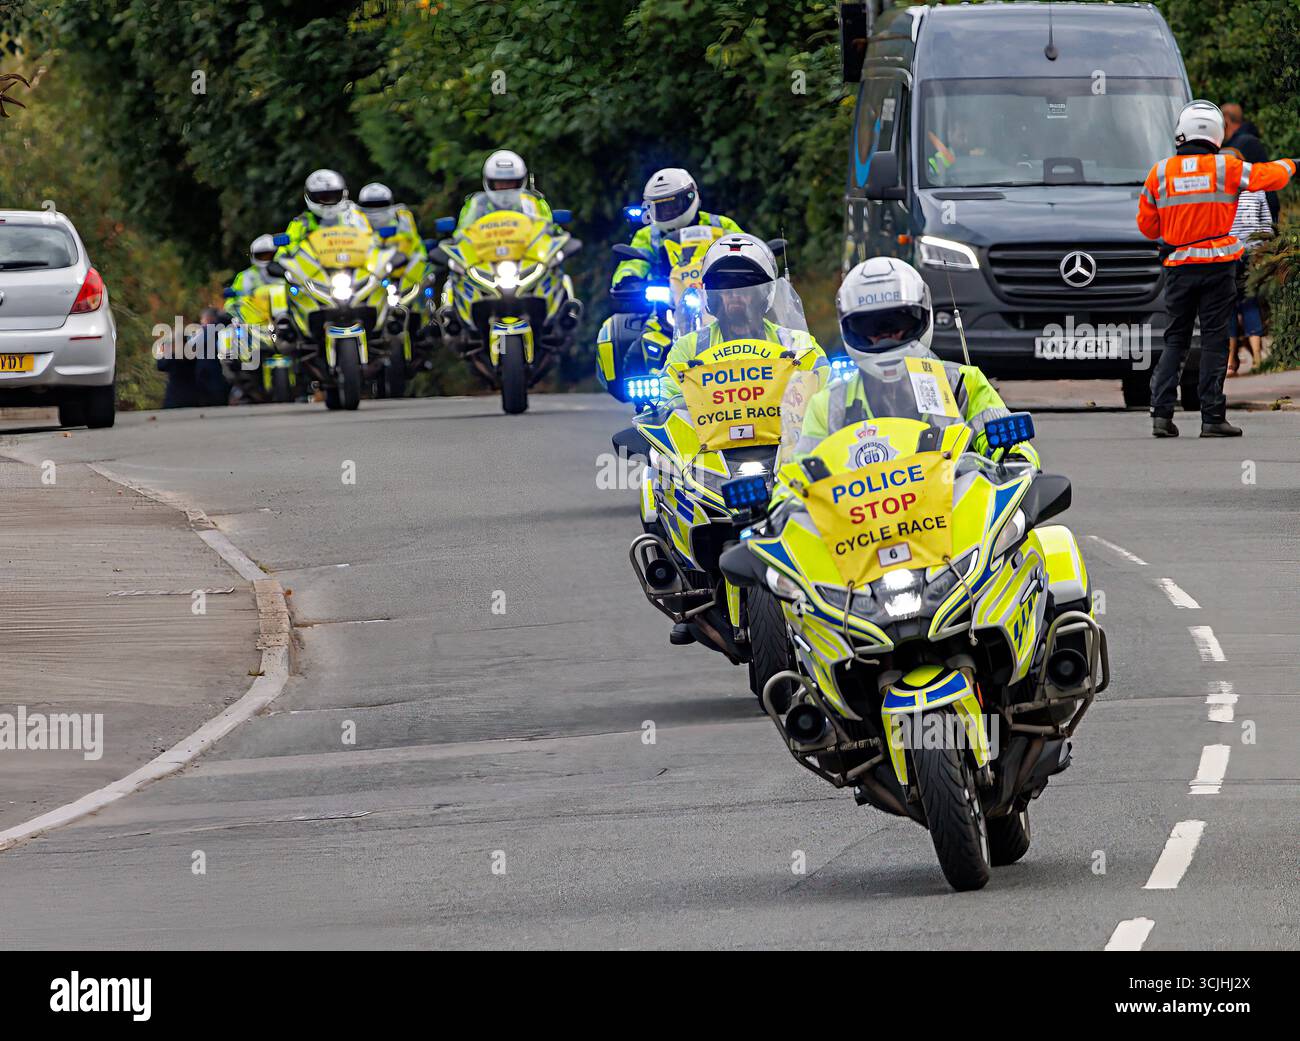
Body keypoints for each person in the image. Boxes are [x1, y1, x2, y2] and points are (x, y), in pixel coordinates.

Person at [1137, 100, 1295, 438]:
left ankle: (1161, 416)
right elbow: (1269, 176)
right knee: (1213, 340)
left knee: (1175, 339)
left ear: (1181, 132)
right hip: (1219, 267)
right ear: (1217, 135)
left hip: (1179, 269)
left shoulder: (1160, 172)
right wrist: (1293, 164)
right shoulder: (1227, 168)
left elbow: (1148, 228)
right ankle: (1212, 418)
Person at [794, 257, 1039, 467]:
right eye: (870, 326)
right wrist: (785, 501)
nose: (886, 335)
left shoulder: (962, 383)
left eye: (897, 322)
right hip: (861, 519)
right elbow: (799, 475)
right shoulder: (829, 404)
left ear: (921, 316)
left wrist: (1016, 460)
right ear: (850, 328)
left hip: (957, 512)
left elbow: (1013, 445)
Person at [656, 233, 825, 400]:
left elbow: (826, 384)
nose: (734, 294)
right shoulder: (689, 347)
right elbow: (664, 394)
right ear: (713, 297)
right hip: (707, 428)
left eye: (745, 287)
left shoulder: (796, 342)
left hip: (783, 427)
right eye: (726, 287)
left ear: (763, 294)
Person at [611, 168, 743, 287]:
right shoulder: (647, 235)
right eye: (660, 207)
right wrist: (627, 278)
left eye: (672, 205)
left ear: (689, 198)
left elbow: (748, 252)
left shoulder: (720, 224)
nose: (667, 211)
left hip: (719, 293)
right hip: (665, 299)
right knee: (619, 316)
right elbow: (632, 263)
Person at [1227, 187, 1272, 376]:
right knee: (1250, 303)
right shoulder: (1258, 191)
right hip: (1252, 254)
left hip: (1227, 253)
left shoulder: (1222, 188)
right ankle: (1257, 359)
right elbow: (1267, 225)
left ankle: (1230, 362)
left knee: (1228, 306)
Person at [356, 181, 429, 292]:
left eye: (380, 204)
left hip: (400, 266)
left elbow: (409, 239)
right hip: (366, 267)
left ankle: (408, 299)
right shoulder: (355, 221)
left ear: (390, 204)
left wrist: (387, 242)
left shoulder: (401, 218)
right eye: (370, 205)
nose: (375, 209)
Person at [281, 169, 373, 253]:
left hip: (352, 264)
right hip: (314, 269)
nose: (328, 201)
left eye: (333, 196)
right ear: (309, 196)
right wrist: (281, 259)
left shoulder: (353, 216)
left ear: (343, 194)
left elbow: (370, 240)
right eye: (323, 197)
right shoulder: (301, 223)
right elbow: (285, 250)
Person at [455, 149, 552, 228]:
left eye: (510, 182)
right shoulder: (476, 205)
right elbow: (462, 237)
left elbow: (548, 233)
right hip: (485, 251)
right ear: (490, 182)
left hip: (527, 251)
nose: (505, 187)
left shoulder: (534, 202)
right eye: (500, 182)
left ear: (520, 182)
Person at [158, 307, 229, 408]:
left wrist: (165, 350)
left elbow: (161, 365)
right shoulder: (192, 357)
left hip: (176, 400)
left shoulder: (172, 360)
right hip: (198, 396)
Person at [1221, 102, 1279, 223]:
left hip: (1257, 216)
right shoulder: (1248, 140)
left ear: (1225, 119)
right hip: (1265, 209)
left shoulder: (1237, 147)